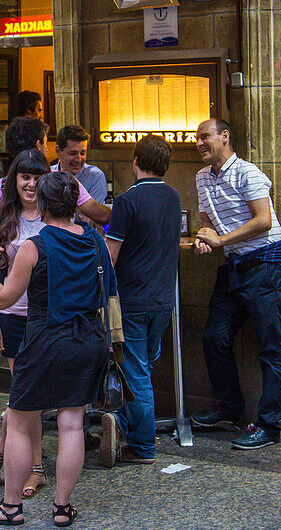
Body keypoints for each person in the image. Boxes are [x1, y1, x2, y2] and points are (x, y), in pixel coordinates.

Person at [0, 171, 115, 527]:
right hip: (88, 340)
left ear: (43, 203)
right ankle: (63, 508)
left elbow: (5, 299)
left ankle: (9, 507)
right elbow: (108, 287)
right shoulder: (95, 241)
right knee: (71, 423)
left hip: (45, 339)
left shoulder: (34, 247)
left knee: (20, 422)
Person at [191, 118, 281, 450]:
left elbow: (263, 221)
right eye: (197, 139)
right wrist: (205, 239)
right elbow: (208, 225)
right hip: (234, 265)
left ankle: (268, 426)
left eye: (205, 137)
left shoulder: (247, 172)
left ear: (224, 137)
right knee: (214, 338)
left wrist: (220, 239)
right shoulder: (201, 177)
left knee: (271, 348)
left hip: (266, 265)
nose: (199, 143)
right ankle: (230, 408)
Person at [100, 135, 182, 467]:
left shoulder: (126, 201)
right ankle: (127, 429)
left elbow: (110, 256)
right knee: (144, 368)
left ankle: (142, 444)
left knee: (135, 374)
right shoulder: (174, 197)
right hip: (163, 300)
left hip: (132, 300)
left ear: (135, 161)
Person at [0, 149, 50, 495]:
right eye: (25, 177)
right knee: (26, 397)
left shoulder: (54, 216)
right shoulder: (4, 219)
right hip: (12, 318)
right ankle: (34, 468)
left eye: (38, 178)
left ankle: (2, 452)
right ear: (15, 180)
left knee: (27, 397)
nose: (31, 184)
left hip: (45, 320)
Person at [0, 117, 109, 247]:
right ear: (38, 145)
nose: (47, 149)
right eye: (46, 143)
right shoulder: (61, 180)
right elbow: (101, 215)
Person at [50, 125, 108, 203]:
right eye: (73, 153)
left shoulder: (95, 176)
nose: (78, 159)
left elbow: (93, 213)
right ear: (58, 151)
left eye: (82, 153)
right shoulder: (48, 174)